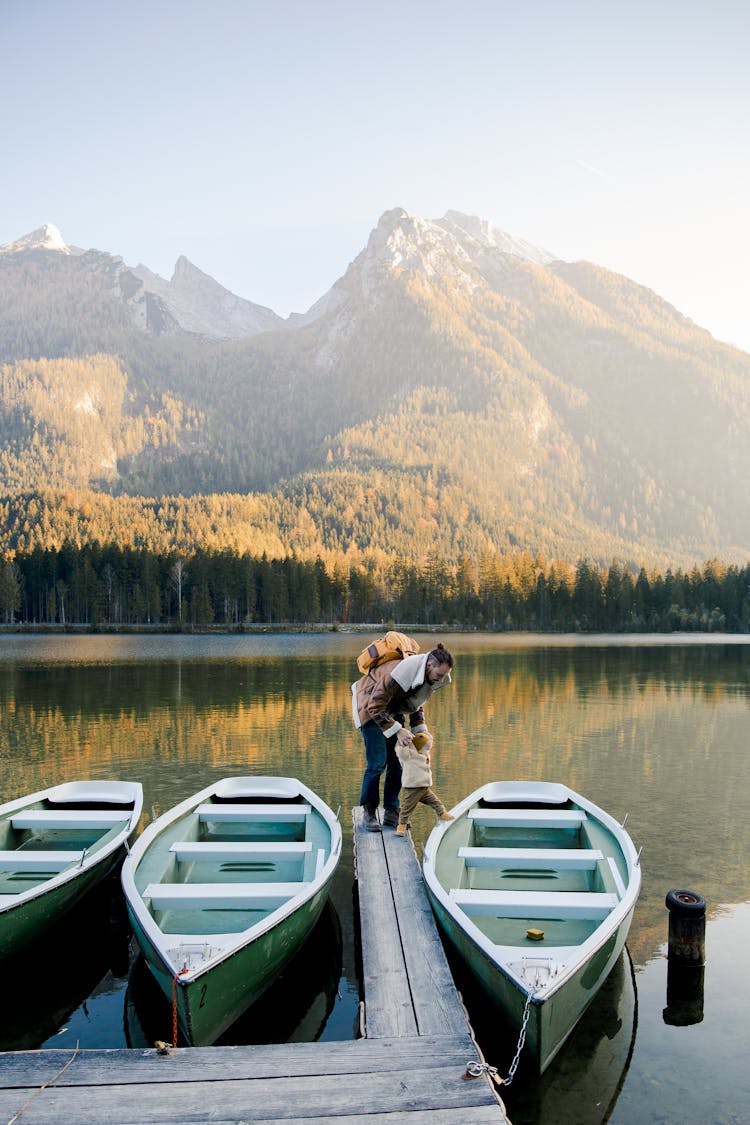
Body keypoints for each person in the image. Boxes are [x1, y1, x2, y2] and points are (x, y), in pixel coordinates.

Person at [351, 642, 454, 832]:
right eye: (439, 675)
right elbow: (374, 706)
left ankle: (391, 811)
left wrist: (420, 734)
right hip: (369, 707)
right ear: (430, 665)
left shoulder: (425, 676)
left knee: (397, 762)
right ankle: (369, 812)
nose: (440, 680)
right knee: (377, 763)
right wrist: (398, 730)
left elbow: (415, 703)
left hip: (389, 708)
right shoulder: (399, 674)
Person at [394, 730, 453, 836]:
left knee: (435, 801)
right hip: (413, 787)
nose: (428, 752)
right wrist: (401, 743)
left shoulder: (425, 755)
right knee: (407, 807)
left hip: (424, 787)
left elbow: (425, 739)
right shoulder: (409, 756)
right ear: (417, 748)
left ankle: (442, 814)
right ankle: (401, 825)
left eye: (429, 749)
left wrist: (426, 735)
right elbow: (400, 752)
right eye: (426, 749)